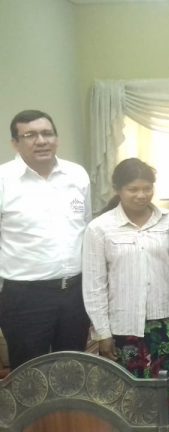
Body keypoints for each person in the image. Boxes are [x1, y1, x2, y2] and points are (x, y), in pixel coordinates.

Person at [82, 158, 169, 432]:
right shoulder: (100, 228)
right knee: (128, 398)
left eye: (147, 188)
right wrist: (102, 332)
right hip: (123, 328)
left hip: (168, 323)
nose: (141, 195)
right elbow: (94, 284)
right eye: (133, 189)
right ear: (118, 189)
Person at [0, 109, 92, 369]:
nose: (41, 141)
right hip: (24, 297)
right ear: (15, 143)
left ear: (56, 138)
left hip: (75, 293)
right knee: (30, 375)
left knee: (73, 370)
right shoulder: (4, 180)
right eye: (30, 135)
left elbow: (86, 227)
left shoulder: (77, 175)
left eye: (47, 133)